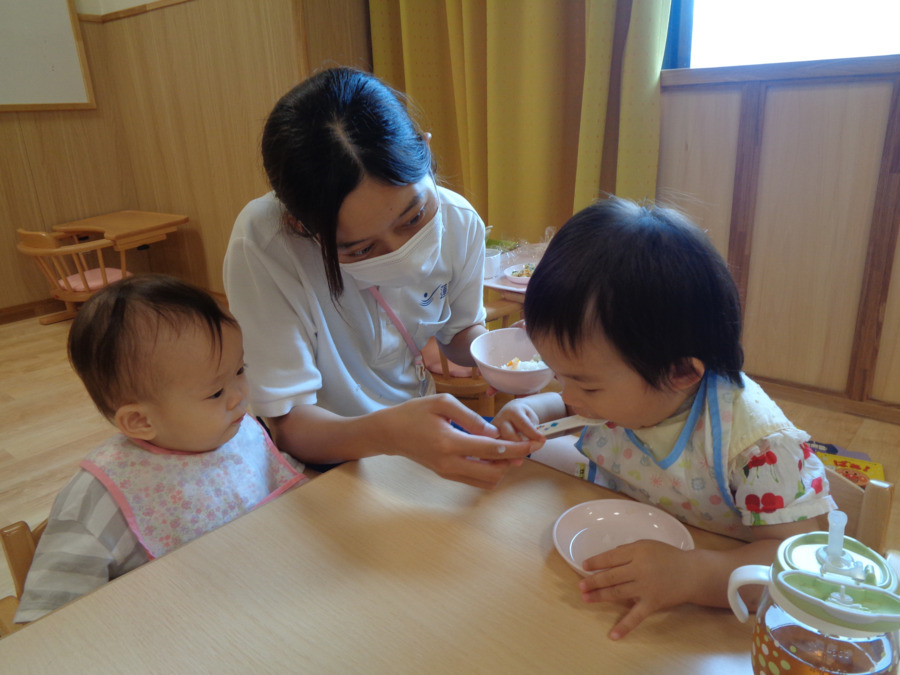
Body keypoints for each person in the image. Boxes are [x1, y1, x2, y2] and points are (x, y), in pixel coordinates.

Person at [491, 197, 836, 640]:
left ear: (679, 373)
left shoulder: (757, 446)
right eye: (559, 376)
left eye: (586, 385)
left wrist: (694, 575)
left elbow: (798, 565)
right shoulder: (630, 390)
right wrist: (530, 410)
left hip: (706, 627)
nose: (568, 395)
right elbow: (571, 406)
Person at [224, 67, 537, 488]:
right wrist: (390, 435)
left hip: (421, 435)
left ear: (424, 150)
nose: (400, 254)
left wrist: (501, 352)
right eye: (359, 248)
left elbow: (459, 334)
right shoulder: (264, 244)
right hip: (325, 458)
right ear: (300, 226)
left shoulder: (461, 221)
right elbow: (288, 424)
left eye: (413, 218)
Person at [14, 275, 306, 623]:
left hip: (262, 605)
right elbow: (46, 621)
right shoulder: (99, 501)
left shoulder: (240, 431)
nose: (240, 395)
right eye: (215, 392)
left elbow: (295, 491)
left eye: (240, 370)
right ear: (139, 420)